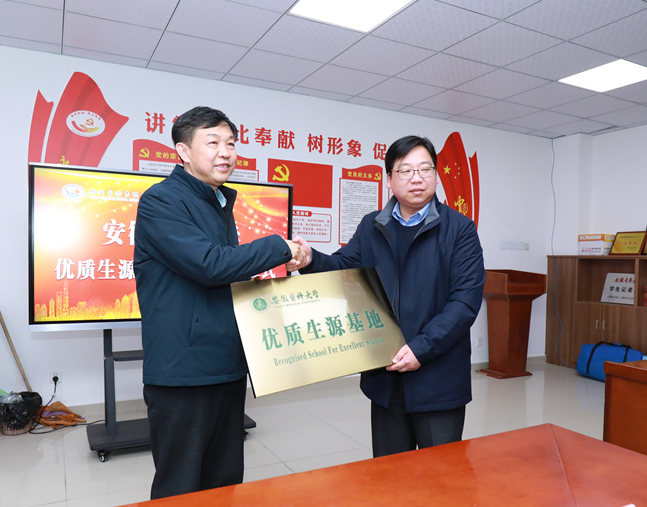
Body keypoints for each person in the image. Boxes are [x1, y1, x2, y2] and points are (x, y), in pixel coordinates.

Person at [133, 106, 307, 499]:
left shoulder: (218, 201)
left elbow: (227, 275)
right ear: (183, 151)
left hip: (225, 364)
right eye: (212, 142)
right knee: (181, 485)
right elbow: (210, 265)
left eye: (230, 143)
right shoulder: (161, 201)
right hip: (184, 371)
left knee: (224, 478)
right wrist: (278, 246)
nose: (225, 152)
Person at [291, 135, 485, 457]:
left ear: (436, 175)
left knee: (440, 475)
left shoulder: (460, 229)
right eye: (405, 170)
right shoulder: (372, 226)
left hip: (438, 378)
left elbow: (464, 302)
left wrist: (421, 348)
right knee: (388, 473)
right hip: (385, 375)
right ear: (389, 179)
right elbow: (344, 269)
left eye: (425, 169)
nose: (417, 178)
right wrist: (311, 259)